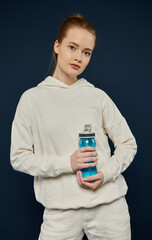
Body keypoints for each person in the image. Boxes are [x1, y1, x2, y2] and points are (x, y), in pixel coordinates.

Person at [10, 13, 137, 240]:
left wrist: (106, 173)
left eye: (86, 52)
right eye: (72, 47)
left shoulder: (97, 96)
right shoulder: (31, 99)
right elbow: (19, 157)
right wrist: (67, 163)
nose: (79, 57)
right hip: (60, 212)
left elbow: (128, 143)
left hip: (109, 208)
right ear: (57, 46)